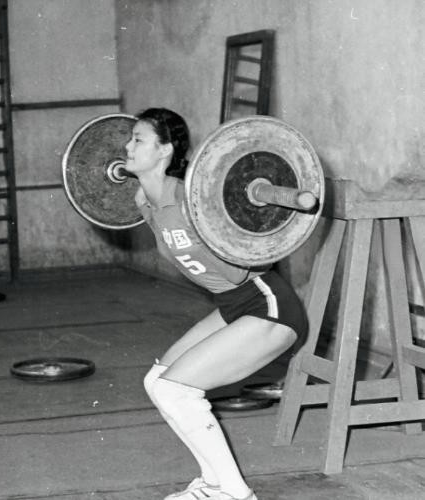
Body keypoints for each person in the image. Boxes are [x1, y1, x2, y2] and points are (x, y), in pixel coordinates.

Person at [127, 108, 307, 500]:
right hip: (232, 306)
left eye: (138, 139)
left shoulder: (193, 198)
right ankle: (213, 486)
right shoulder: (146, 201)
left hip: (267, 304)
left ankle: (236, 493)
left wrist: (215, 227)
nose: (127, 146)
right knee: (158, 382)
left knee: (176, 390)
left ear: (165, 151)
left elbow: (241, 270)